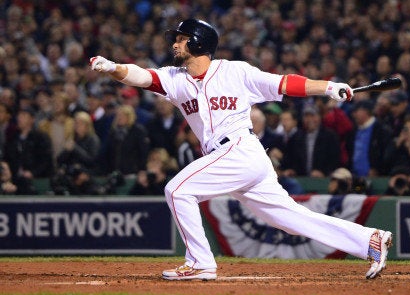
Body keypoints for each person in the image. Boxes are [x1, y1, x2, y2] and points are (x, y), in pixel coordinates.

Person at [90, 18, 392, 280]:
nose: (175, 44)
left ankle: (200, 263)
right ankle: (369, 240)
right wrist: (114, 67)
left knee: (177, 189)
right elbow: (141, 75)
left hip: (239, 149)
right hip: (230, 158)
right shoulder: (175, 79)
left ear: (198, 42)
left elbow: (285, 83)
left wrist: (326, 86)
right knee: (288, 219)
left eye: (181, 39)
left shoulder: (236, 72)